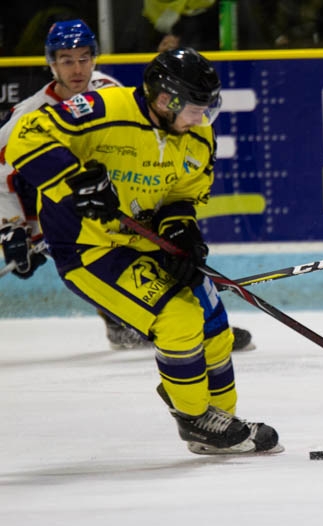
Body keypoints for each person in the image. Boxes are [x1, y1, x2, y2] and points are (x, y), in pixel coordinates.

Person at [4, 47, 281, 456]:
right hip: (89, 248)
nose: (202, 118)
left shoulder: (199, 136)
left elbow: (180, 198)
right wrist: (76, 181)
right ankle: (195, 420)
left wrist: (181, 236)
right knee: (178, 319)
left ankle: (220, 417)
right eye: (195, 108)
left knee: (213, 324)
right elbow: (25, 138)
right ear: (167, 98)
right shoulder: (104, 106)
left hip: (145, 243)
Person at [0, 19, 253, 352]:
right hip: (59, 204)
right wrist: (13, 228)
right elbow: (5, 177)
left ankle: (191, 325)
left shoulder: (108, 90)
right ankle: (136, 322)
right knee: (93, 255)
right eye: (66, 59)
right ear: (51, 63)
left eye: (84, 58)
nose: (77, 68)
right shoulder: (27, 115)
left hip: (120, 197)